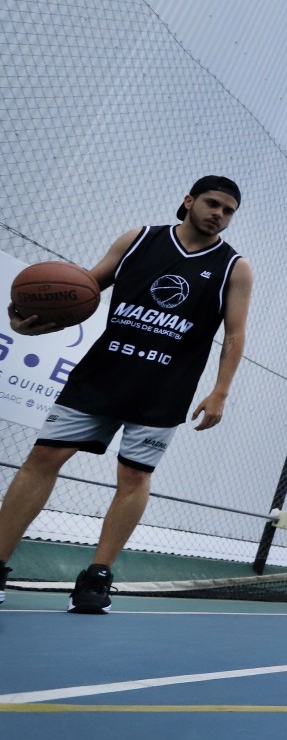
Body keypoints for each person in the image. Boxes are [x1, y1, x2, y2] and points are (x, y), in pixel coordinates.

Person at [0, 176, 252, 614]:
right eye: (213, 204)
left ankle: (97, 576)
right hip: (101, 376)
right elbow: (81, 291)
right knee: (44, 458)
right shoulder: (139, 240)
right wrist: (36, 319)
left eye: (229, 211)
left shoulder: (235, 267)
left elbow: (234, 336)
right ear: (189, 200)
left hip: (164, 390)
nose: (219, 215)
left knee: (134, 477)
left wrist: (221, 392)